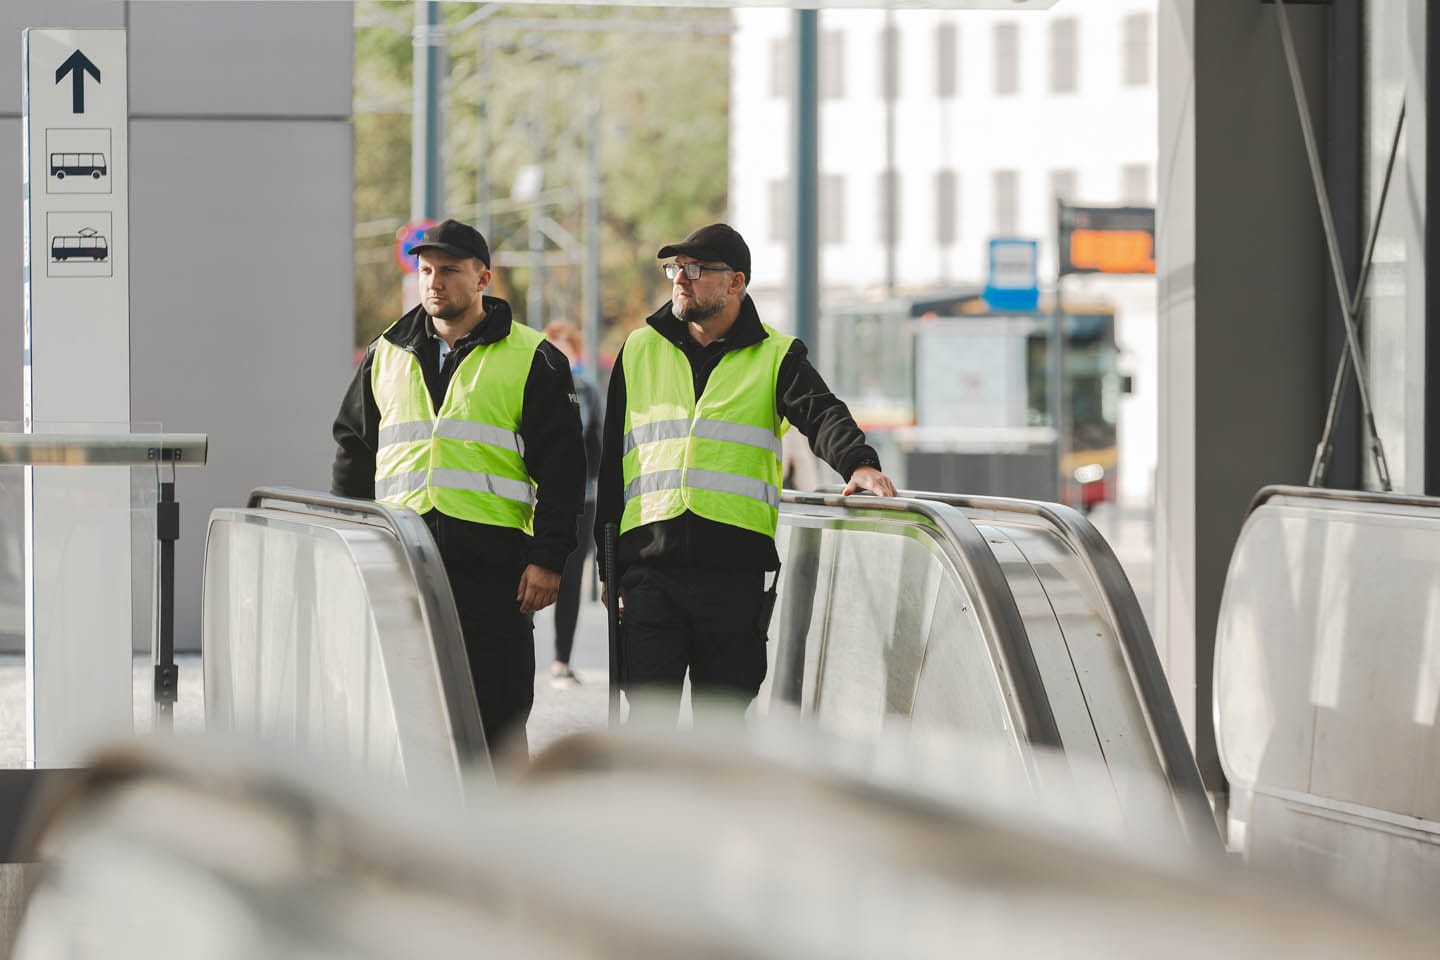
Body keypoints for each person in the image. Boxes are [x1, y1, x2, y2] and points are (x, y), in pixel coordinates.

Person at [594, 222, 896, 724]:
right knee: (648, 736)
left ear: (735, 283)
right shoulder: (638, 348)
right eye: (675, 269)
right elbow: (612, 464)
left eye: (695, 270)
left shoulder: (777, 354)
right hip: (650, 574)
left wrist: (859, 463)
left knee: (723, 736)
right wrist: (609, 567)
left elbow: (822, 413)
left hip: (732, 580)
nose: (680, 280)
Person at [331, 218, 586, 756]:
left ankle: (496, 826)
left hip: (495, 566)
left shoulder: (534, 358)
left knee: (498, 711)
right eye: (426, 271)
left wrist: (548, 558)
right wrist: (349, 550)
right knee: (405, 706)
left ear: (484, 278)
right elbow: (353, 451)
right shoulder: (385, 354)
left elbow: (563, 469)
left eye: (449, 271)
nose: (434, 282)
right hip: (401, 559)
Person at [542, 320, 603, 688]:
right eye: (555, 347)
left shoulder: (589, 392)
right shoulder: (533, 387)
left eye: (568, 348)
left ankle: (561, 660)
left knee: (569, 582)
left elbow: (598, 443)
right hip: (537, 500)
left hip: (583, 500)